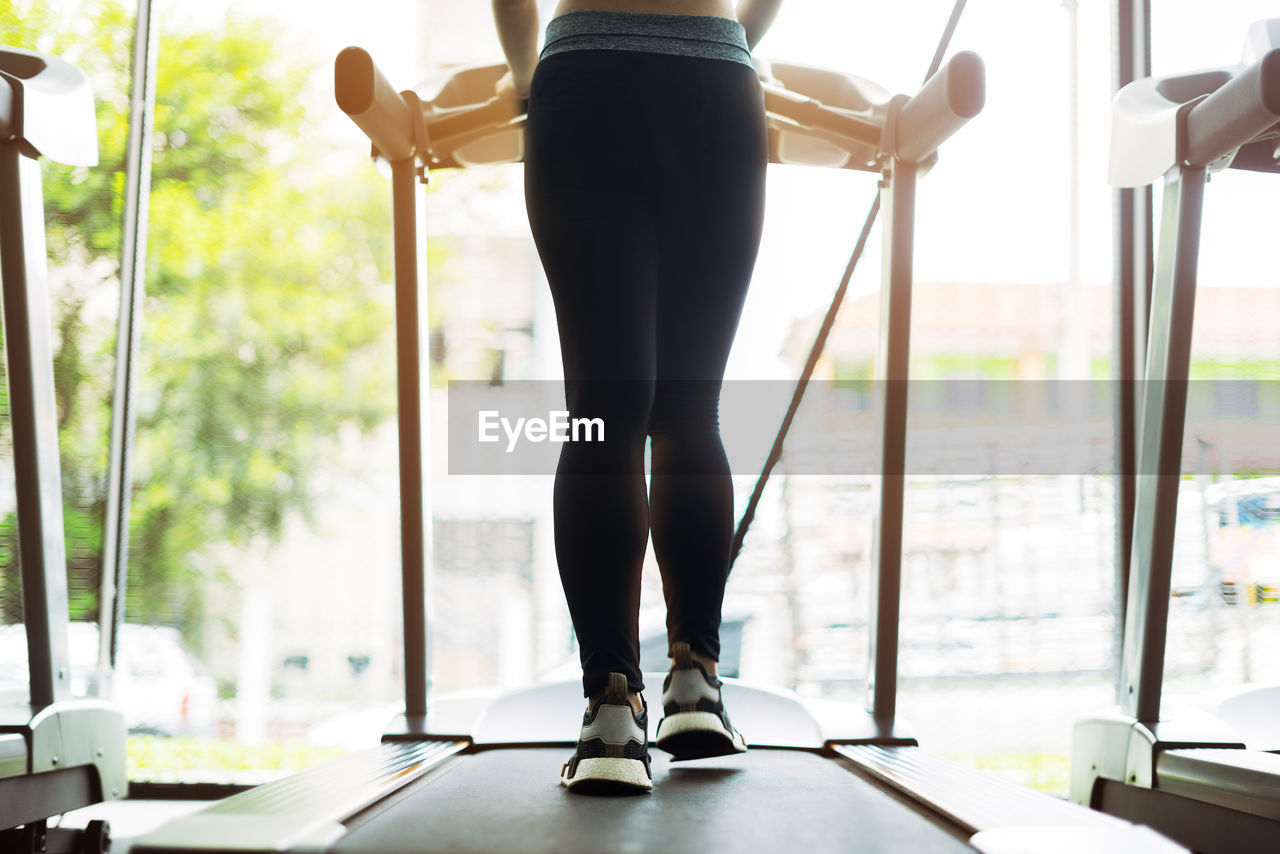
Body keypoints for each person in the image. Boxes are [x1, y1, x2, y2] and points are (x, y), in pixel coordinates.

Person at [490, 0, 784, 792]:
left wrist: (527, 78)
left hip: (584, 79)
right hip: (713, 84)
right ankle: (695, 686)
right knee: (691, 409)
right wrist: (730, 45)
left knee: (602, 417)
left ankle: (613, 714)